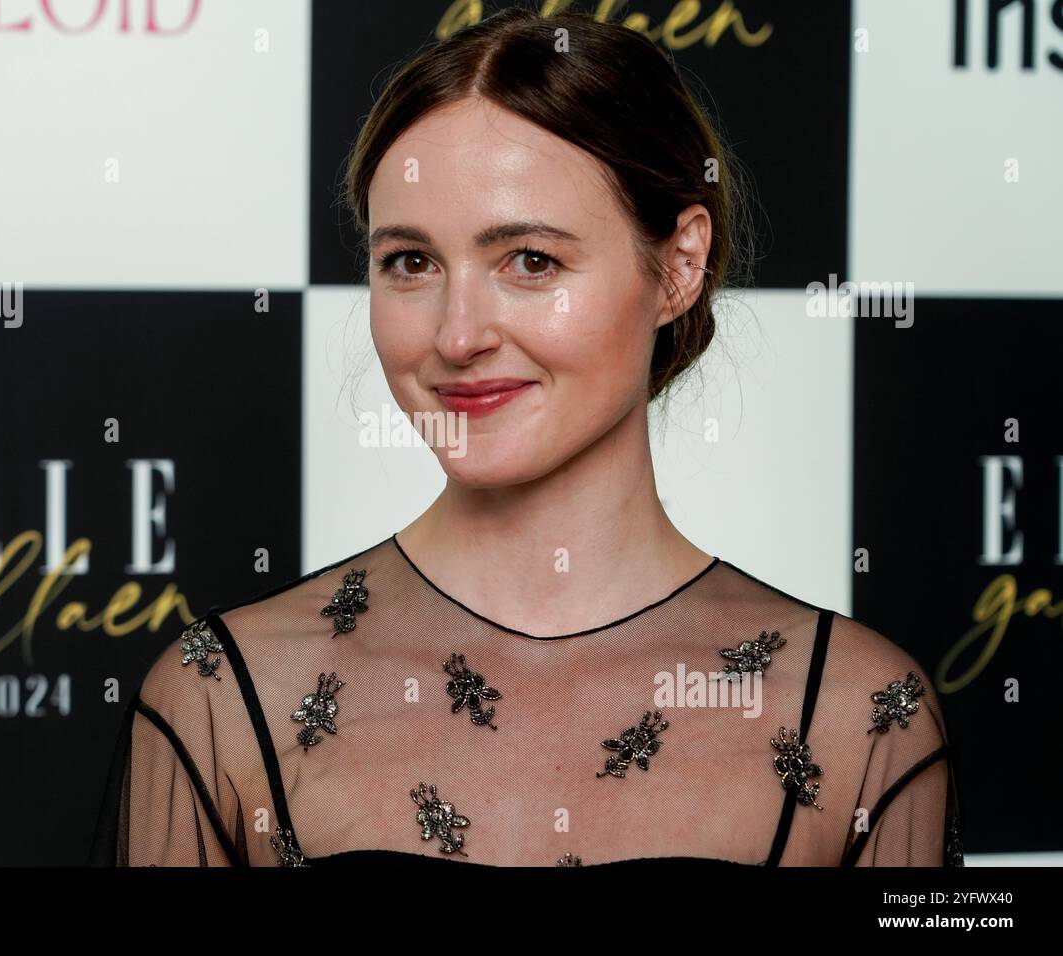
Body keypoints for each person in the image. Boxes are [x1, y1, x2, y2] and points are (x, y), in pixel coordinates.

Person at [89, 7, 963, 867]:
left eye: (531, 262)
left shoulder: (858, 718)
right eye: (412, 263)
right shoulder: (222, 699)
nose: (457, 335)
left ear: (681, 266)